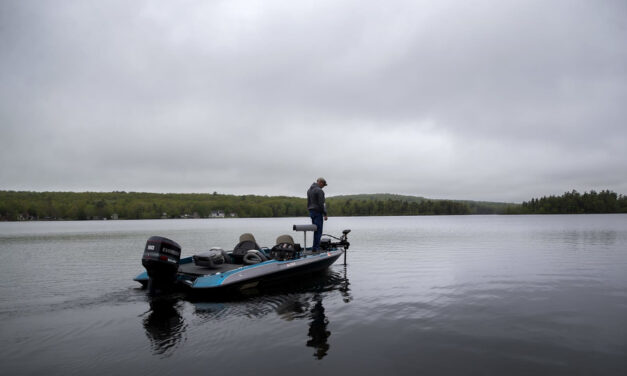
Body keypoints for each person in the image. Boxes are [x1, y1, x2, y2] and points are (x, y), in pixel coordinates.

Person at [307, 177, 328, 251]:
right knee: (318, 231)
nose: (323, 187)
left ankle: (314, 247)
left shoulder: (309, 190)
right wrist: (325, 214)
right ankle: (316, 248)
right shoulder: (319, 191)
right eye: (323, 185)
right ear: (321, 183)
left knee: (315, 230)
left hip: (311, 212)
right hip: (318, 212)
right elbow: (321, 204)